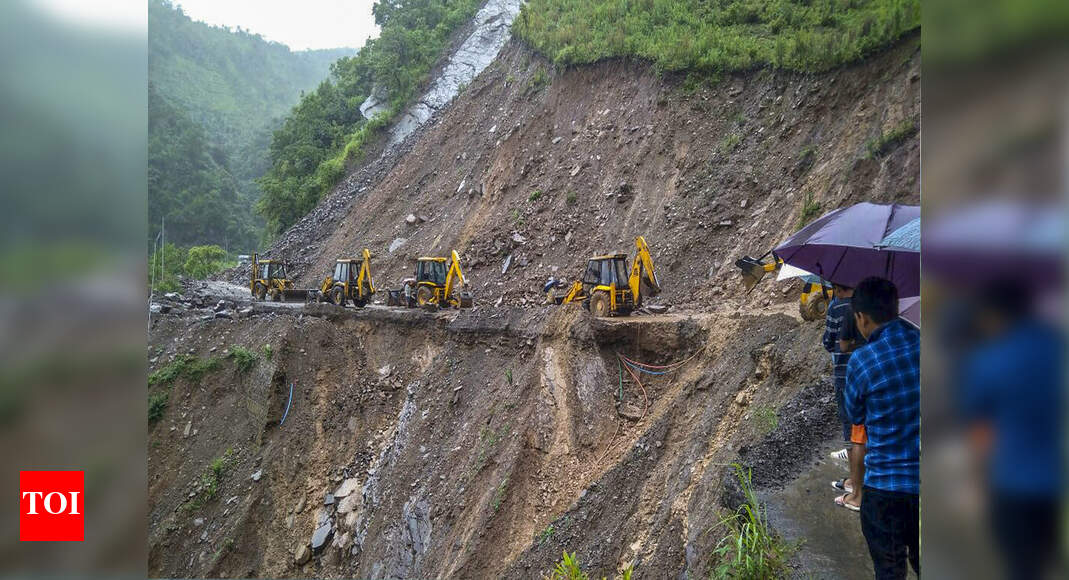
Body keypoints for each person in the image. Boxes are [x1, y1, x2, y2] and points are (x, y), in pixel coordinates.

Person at [960, 280, 1062, 580]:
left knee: (1018, 565)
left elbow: (980, 431)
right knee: (1043, 560)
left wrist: (976, 484)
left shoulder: (990, 360)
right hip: (1053, 480)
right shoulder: (1056, 346)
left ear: (995, 314)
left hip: (1010, 482)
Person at [843, 277, 920, 579]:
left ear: (861, 317)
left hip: (884, 486)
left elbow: (855, 414)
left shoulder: (862, 361)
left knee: (889, 571)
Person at [822, 282, 864, 503]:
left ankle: (855, 486)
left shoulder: (838, 307)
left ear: (837, 288)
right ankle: (859, 481)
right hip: (869, 374)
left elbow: (830, 342)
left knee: (852, 432)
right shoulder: (867, 304)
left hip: (844, 375)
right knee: (865, 428)